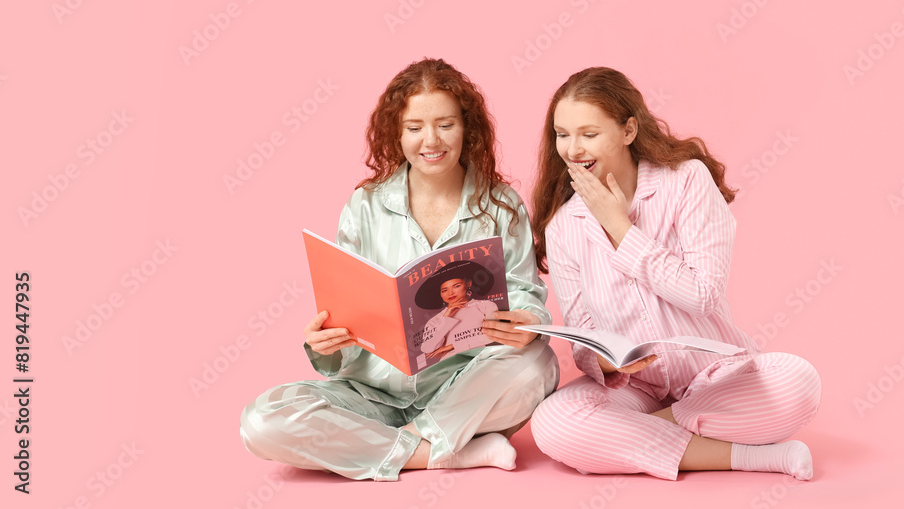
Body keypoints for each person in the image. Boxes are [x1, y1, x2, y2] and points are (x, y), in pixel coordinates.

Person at [240, 58, 559, 481]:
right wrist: (325, 347)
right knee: (263, 421)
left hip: (464, 387)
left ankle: (401, 444)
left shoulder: (500, 205)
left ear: (467, 128)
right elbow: (346, 312)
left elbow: (525, 294)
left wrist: (526, 323)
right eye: (414, 128)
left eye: (445, 124)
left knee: (538, 363)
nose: (431, 140)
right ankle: (442, 451)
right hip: (370, 395)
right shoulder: (365, 206)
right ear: (397, 132)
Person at [528, 67, 821, 481]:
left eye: (589, 134)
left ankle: (637, 437)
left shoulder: (685, 182)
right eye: (562, 134)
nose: (573, 149)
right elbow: (583, 333)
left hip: (715, 379)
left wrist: (621, 230)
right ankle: (754, 456)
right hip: (636, 389)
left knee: (798, 381)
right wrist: (609, 366)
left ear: (628, 130)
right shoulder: (564, 226)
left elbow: (703, 293)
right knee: (553, 422)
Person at [416, 260, 500, 362]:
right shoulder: (435, 320)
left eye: (456, 286)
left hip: (485, 358)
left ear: (468, 284)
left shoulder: (486, 306)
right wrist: (446, 318)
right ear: (440, 294)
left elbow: (496, 335)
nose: (450, 293)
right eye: (444, 290)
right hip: (450, 365)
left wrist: (453, 346)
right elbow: (428, 348)